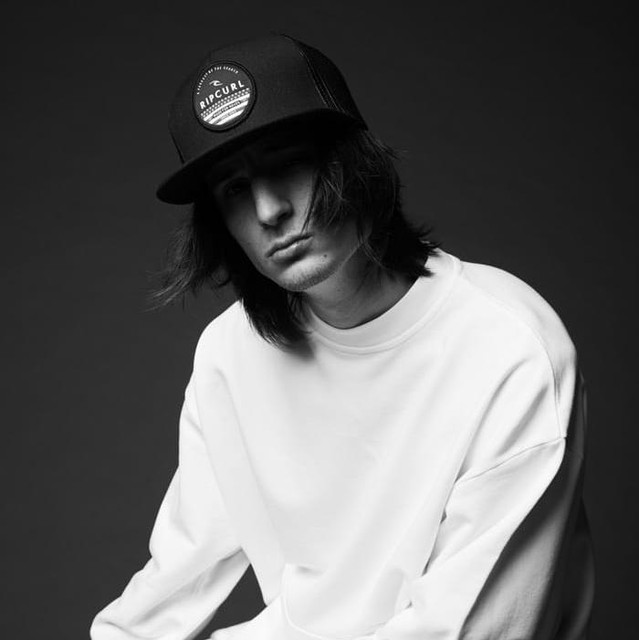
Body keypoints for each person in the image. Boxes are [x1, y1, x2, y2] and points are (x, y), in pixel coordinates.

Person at [90, 34, 594, 640]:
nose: (269, 210)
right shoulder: (230, 353)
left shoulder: (510, 349)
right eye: (234, 189)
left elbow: (463, 630)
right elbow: (175, 582)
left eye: (286, 163)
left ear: (353, 161)